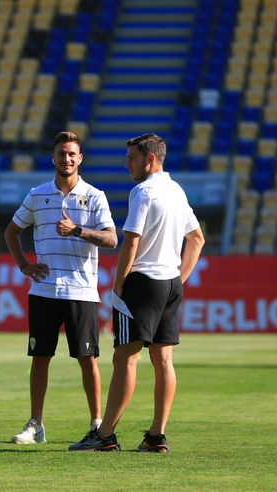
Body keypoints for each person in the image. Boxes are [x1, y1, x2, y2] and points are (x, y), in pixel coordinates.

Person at [69, 133, 205, 452]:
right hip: (170, 281)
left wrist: (119, 286)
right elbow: (197, 239)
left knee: (124, 360)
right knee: (164, 360)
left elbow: (130, 240)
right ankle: (156, 436)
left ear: (150, 160)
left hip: (143, 282)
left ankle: (105, 436)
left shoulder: (142, 192)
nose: (126, 164)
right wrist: (179, 279)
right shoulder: (176, 190)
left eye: (131, 158)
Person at [4, 131, 118, 444]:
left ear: (80, 159)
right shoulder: (37, 194)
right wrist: (24, 266)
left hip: (81, 291)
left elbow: (111, 239)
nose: (66, 159)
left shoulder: (94, 196)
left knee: (87, 359)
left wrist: (77, 230)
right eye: (61, 153)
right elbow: (11, 232)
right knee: (40, 358)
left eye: (71, 154)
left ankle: (97, 424)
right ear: (52, 158)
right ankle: (35, 425)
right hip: (43, 290)